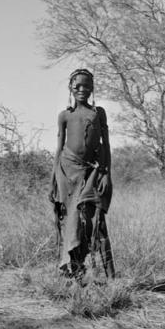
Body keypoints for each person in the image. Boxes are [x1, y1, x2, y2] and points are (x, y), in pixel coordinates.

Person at [49, 68, 115, 281]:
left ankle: (112, 278)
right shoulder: (65, 115)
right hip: (67, 172)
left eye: (86, 85)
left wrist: (106, 174)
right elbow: (59, 148)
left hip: (92, 172)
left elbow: (105, 145)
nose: (81, 89)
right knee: (69, 222)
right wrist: (53, 181)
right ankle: (74, 273)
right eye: (77, 86)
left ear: (92, 88)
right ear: (70, 88)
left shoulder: (98, 113)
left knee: (97, 223)